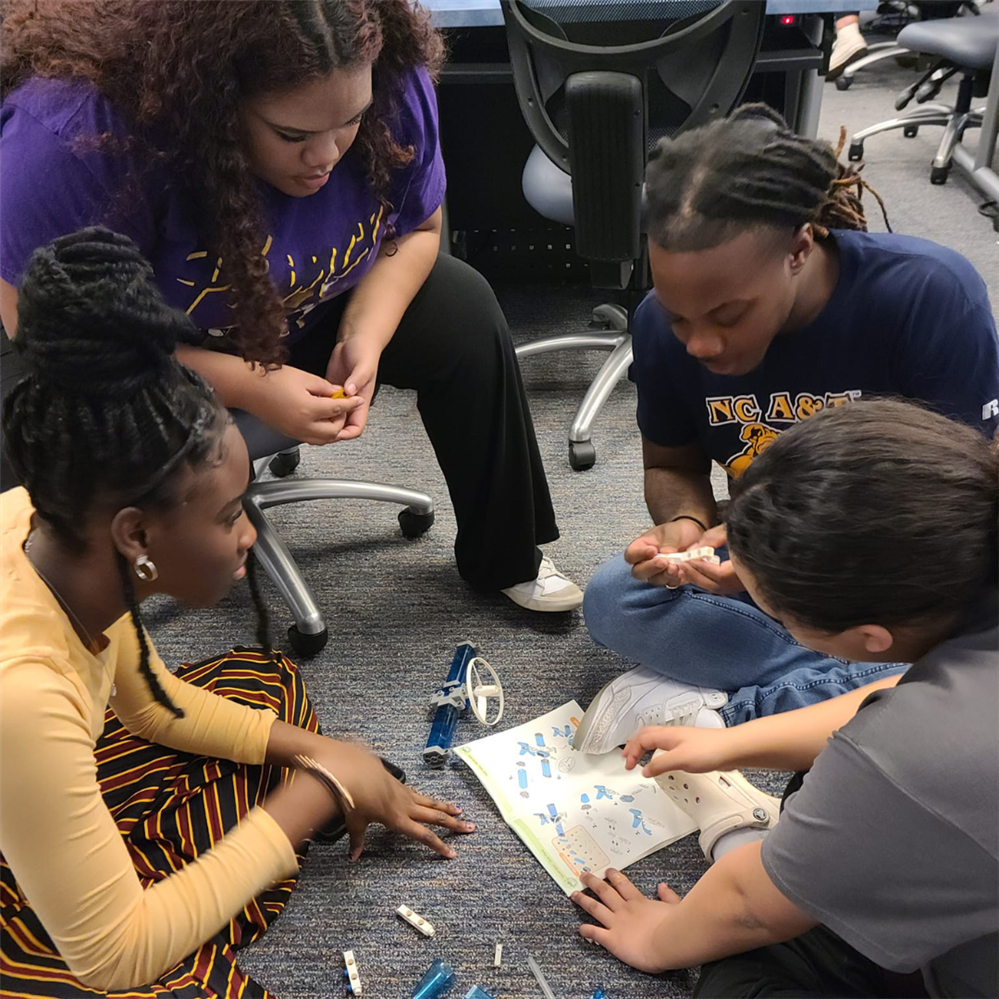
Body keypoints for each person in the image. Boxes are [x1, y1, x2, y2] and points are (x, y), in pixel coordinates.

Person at [0, 228, 475, 997]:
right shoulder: (21, 692)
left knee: (263, 689)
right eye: (228, 515)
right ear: (137, 533)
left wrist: (323, 760)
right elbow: (112, 956)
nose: (250, 531)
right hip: (22, 782)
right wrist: (314, 791)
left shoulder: (55, 527)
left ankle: (154, 883)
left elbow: (152, 708)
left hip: (29, 771)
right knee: (163, 979)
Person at [0, 0, 582, 613]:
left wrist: (365, 337)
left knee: (463, 309)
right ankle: (54, 630)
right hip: (109, 349)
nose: (327, 155)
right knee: (34, 424)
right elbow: (51, 333)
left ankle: (507, 556)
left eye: (349, 122)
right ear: (214, 100)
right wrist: (251, 384)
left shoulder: (385, 78)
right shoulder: (79, 137)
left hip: (298, 309)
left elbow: (419, 230)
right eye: (293, 135)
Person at [573, 103, 999, 754]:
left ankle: (758, 707)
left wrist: (764, 571)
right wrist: (686, 531)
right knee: (610, 598)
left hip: (908, 575)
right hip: (772, 551)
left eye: (726, 313)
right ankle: (876, 694)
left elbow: (964, 525)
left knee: (966, 641)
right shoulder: (661, 324)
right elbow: (670, 465)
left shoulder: (926, 294)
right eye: (679, 317)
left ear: (798, 248)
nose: (699, 343)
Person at [570, 399, 999, 999]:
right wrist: (729, 745)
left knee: (739, 975)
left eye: (768, 603)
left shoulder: (916, 748)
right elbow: (894, 695)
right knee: (823, 779)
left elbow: (752, 907)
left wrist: (657, 938)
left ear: (868, 639)